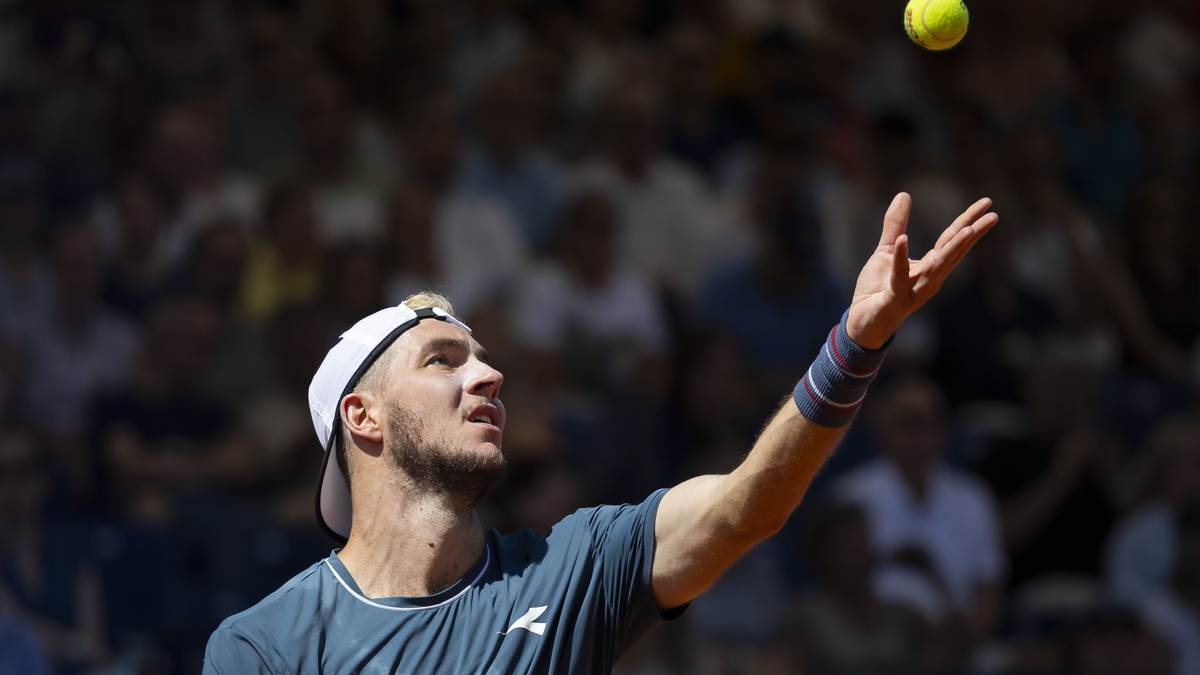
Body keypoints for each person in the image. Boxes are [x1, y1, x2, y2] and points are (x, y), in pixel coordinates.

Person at [202, 193, 998, 673]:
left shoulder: (576, 564)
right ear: (363, 416)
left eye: (483, 357)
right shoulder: (263, 645)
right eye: (443, 360)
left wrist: (853, 346)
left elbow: (745, 507)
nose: (488, 375)